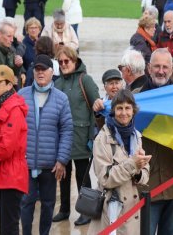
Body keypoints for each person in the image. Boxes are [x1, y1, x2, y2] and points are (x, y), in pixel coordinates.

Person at [19, 55, 73, 235]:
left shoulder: (61, 99)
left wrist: (62, 160)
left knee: (49, 204)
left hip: (50, 164)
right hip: (26, 163)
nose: (40, 72)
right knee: (26, 202)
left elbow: (66, 130)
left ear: (52, 72)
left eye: (44, 69)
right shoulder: (22, 95)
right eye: (37, 69)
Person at [139, 48, 173, 235]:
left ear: (171, 69)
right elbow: (115, 126)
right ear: (148, 68)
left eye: (165, 67)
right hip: (148, 184)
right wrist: (100, 112)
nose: (161, 71)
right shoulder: (135, 97)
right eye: (157, 66)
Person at [87, 89, 151, 234]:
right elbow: (105, 178)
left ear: (133, 110)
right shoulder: (102, 138)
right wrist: (133, 165)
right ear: (113, 111)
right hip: (111, 210)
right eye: (119, 108)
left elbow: (145, 175)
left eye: (128, 108)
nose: (124, 113)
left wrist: (140, 170)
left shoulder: (137, 136)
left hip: (133, 209)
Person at [53, 46, 100, 226]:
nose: (64, 64)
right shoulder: (57, 83)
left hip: (82, 137)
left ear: (75, 61)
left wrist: (91, 137)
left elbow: (96, 107)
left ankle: (86, 212)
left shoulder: (85, 80)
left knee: (82, 177)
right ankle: (64, 209)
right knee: (63, 175)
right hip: (63, 139)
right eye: (61, 62)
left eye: (67, 61)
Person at [0, 65, 29, 235]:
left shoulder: (13, 110)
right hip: (2, 174)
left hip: (11, 175)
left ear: (9, 85)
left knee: (9, 228)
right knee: (4, 228)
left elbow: (5, 149)